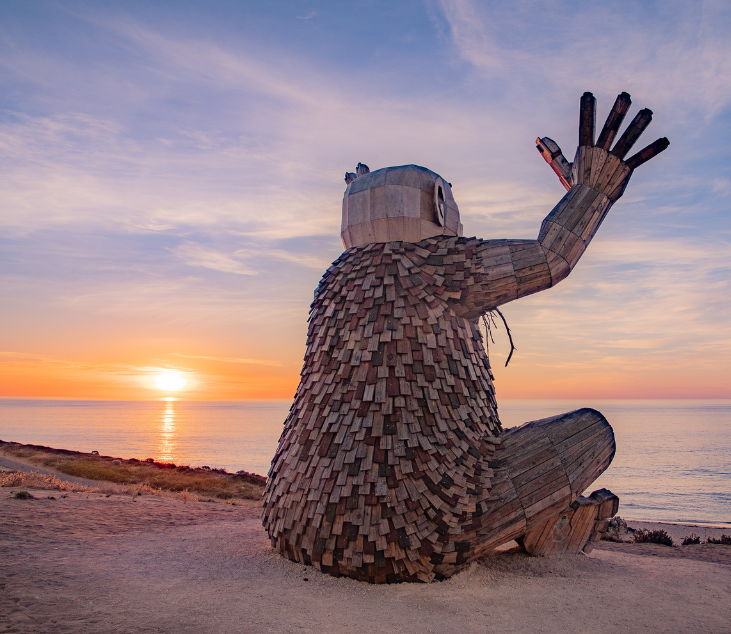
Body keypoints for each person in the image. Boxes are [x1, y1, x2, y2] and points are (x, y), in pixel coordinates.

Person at [262, 91, 669, 583]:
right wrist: (592, 191)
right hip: (423, 526)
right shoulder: (440, 263)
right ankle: (548, 524)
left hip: (299, 518)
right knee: (593, 431)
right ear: (438, 207)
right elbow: (550, 257)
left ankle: (544, 518)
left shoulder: (334, 281)